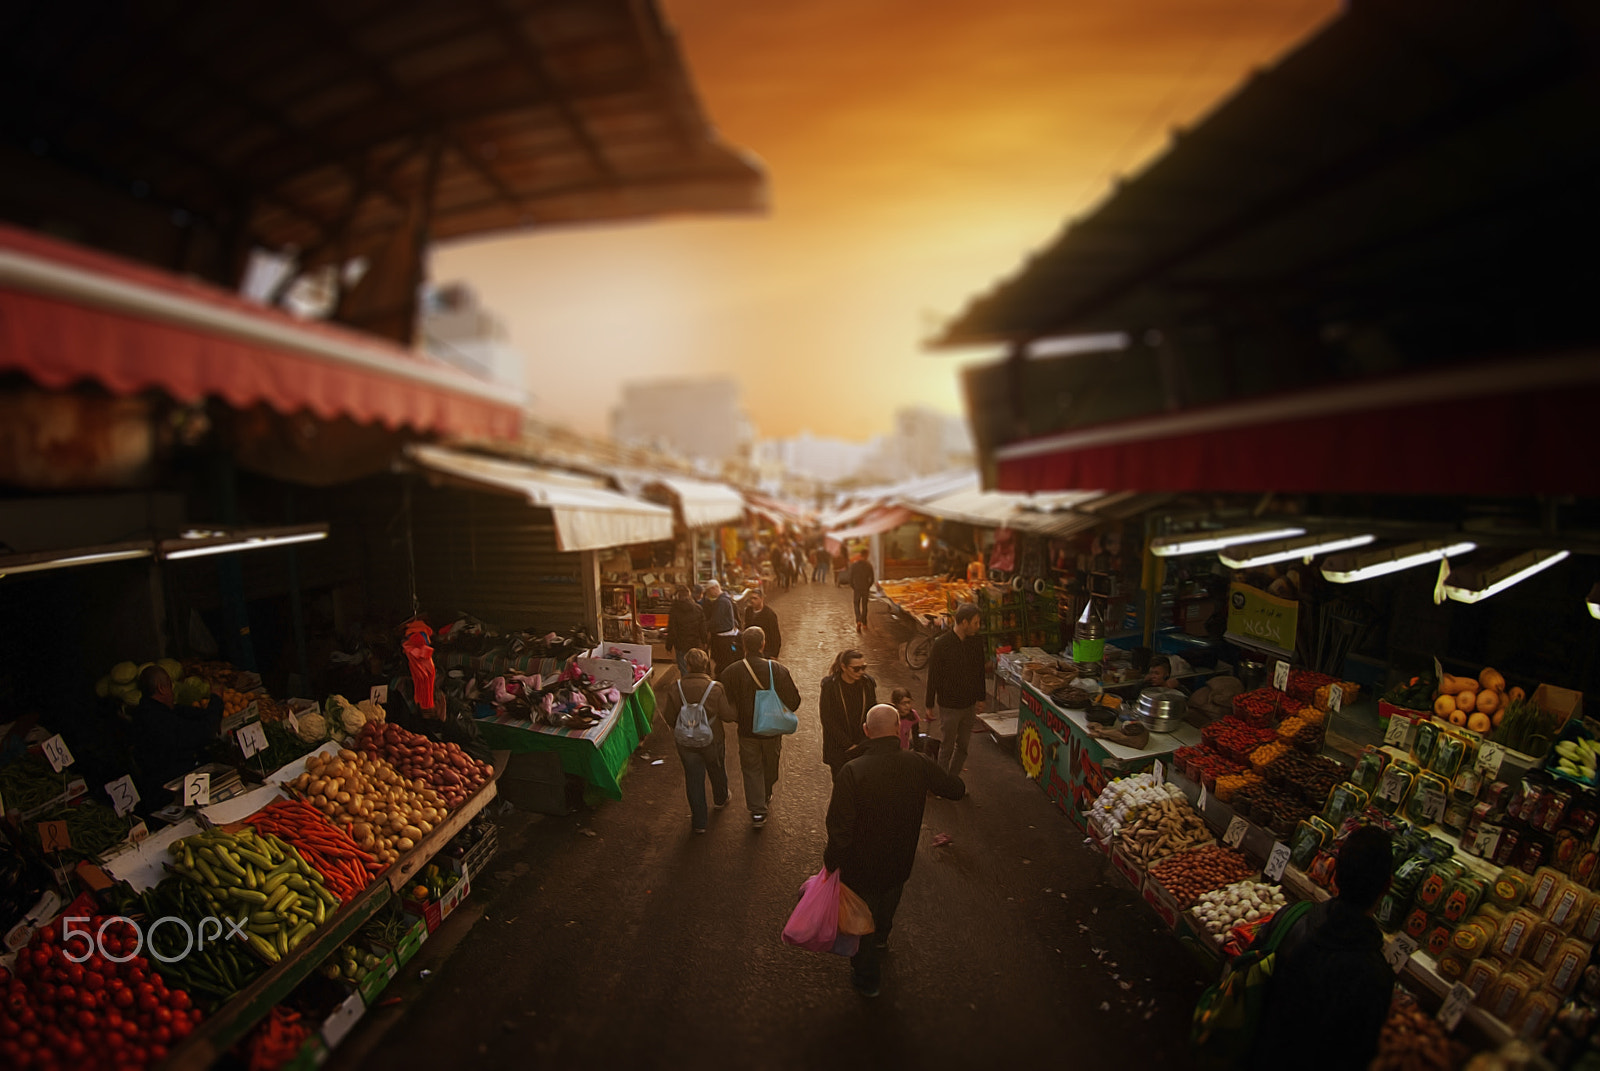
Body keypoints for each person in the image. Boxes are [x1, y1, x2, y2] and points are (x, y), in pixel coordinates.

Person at [824, 704, 966, 997]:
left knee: (862, 921)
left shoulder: (852, 771)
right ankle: (882, 940)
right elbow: (954, 789)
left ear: (866, 731)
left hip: (860, 866)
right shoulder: (917, 763)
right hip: (901, 860)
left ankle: (868, 980)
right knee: (888, 902)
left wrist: (831, 863)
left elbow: (839, 827)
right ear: (896, 729)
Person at [1243, 825, 1395, 1070]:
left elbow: (1248, 977)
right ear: (1387, 886)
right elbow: (1359, 1054)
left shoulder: (1290, 917)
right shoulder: (1376, 976)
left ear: (1334, 875)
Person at [718, 626, 803, 827]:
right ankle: (765, 793)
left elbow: (726, 701)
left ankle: (758, 812)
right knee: (770, 766)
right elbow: (794, 701)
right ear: (763, 644)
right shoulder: (778, 670)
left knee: (751, 768)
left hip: (747, 731)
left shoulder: (731, 671)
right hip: (772, 731)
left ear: (744, 645)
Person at [658, 648, 738, 833]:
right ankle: (720, 798)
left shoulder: (675, 687)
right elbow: (727, 715)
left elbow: (669, 717)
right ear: (706, 665)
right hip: (713, 738)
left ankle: (699, 822)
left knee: (694, 778)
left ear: (688, 666)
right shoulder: (715, 688)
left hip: (686, 741)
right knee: (717, 768)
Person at [130, 665, 222, 804]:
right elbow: (204, 733)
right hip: (169, 788)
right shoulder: (158, 719)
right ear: (161, 688)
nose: (172, 690)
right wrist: (216, 699)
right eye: (169, 685)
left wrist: (209, 712)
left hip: (159, 782)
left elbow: (184, 712)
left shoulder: (146, 709)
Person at [924, 603, 986, 779]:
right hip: (949, 706)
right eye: (975, 622)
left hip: (969, 705)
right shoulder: (941, 644)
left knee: (964, 746)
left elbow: (979, 671)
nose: (978, 626)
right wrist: (929, 704)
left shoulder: (975, 642)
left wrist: (980, 698)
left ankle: (952, 779)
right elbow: (933, 676)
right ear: (964, 622)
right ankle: (941, 780)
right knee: (947, 746)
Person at [819, 649, 875, 779]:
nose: (861, 672)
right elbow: (827, 718)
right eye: (856, 669)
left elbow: (872, 712)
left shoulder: (868, 684)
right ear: (843, 667)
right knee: (841, 783)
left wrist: (863, 742)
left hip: (862, 744)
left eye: (863, 667)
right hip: (838, 747)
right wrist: (848, 744)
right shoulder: (830, 686)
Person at [666, 585, 708, 677]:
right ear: (689, 595)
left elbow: (672, 630)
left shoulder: (674, 610)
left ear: (678, 597)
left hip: (680, 644)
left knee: (683, 667)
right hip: (694, 643)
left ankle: (685, 687)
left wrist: (669, 646)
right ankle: (697, 685)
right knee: (696, 665)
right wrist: (704, 641)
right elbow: (702, 627)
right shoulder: (698, 608)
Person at [700, 580, 740, 672]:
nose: (709, 595)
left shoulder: (722, 601)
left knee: (722, 665)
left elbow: (716, 621)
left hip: (723, 639)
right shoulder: (725, 599)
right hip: (726, 637)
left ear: (714, 588)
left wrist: (703, 626)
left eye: (709, 591)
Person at [743, 588, 783, 658]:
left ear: (762, 599)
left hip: (765, 651)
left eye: (755, 598)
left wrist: (774, 654)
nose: (752, 601)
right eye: (751, 598)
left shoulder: (769, 614)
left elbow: (775, 635)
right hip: (750, 651)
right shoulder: (748, 611)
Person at [848, 550, 876, 632]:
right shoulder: (868, 565)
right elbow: (872, 578)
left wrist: (853, 586)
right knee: (864, 605)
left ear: (860, 555)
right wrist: (868, 586)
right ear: (866, 555)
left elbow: (850, 578)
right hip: (865, 588)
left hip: (857, 588)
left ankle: (858, 620)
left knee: (856, 604)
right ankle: (864, 623)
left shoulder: (854, 565)